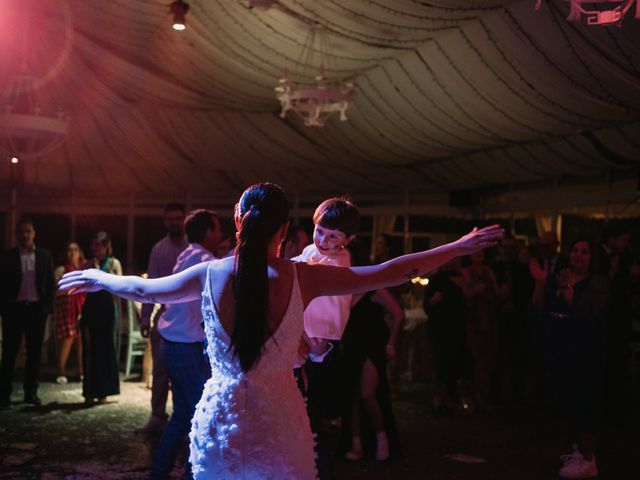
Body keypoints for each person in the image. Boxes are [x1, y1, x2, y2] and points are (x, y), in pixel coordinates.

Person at [59, 182, 503, 479]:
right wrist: (458, 246)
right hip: (281, 414)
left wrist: (100, 279)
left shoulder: (208, 274)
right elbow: (390, 272)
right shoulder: (303, 276)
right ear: (286, 230)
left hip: (222, 416)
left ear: (237, 223)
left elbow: (145, 290)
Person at [292, 197, 359, 479]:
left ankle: (318, 467)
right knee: (300, 408)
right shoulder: (310, 250)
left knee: (313, 415)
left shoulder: (339, 259)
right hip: (302, 334)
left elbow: (307, 271)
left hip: (322, 338)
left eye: (333, 236)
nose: (324, 239)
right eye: (320, 231)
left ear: (347, 240)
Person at [151, 209, 221, 479]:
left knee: (182, 414)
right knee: (202, 415)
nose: (219, 234)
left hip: (173, 343)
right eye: (216, 229)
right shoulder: (205, 262)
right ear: (207, 233)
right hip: (184, 347)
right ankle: (194, 474)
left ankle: (160, 472)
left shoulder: (186, 255)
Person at [531, 239, 609, 479]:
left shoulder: (597, 282)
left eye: (585, 252)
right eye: (575, 250)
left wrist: (567, 291)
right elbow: (539, 308)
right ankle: (576, 452)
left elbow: (586, 314)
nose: (578, 255)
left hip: (582, 351)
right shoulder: (560, 275)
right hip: (557, 348)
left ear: (592, 257)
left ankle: (588, 459)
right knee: (562, 401)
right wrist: (541, 283)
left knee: (581, 404)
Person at [341, 241, 403, 462]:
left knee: (368, 394)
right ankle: (357, 445)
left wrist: (391, 343)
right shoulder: (343, 287)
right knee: (353, 397)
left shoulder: (372, 286)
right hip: (351, 344)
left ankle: (382, 438)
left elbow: (398, 313)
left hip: (373, 345)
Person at [138, 203, 189, 433]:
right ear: (165, 221)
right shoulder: (159, 249)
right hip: (165, 313)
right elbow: (149, 288)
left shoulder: (193, 247)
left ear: (185, 219)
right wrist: (145, 319)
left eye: (178, 218)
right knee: (160, 369)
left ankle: (184, 415)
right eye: (170, 219)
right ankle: (157, 415)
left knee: (186, 371)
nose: (175, 222)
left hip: (189, 316)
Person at [0, 218, 55, 408]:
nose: (25, 235)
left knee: (34, 354)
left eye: (28, 231)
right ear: (17, 234)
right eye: (21, 232)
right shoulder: (8, 256)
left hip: (36, 309)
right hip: (14, 310)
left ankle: (31, 393)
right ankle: (4, 394)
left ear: (34, 233)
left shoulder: (44, 255)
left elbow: (50, 284)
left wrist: (47, 308)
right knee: (9, 354)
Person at [422, 258, 471, 416]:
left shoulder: (461, 277)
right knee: (440, 362)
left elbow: (465, 303)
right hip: (439, 327)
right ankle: (439, 398)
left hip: (456, 327)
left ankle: (453, 398)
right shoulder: (436, 279)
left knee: (455, 361)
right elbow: (427, 305)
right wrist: (434, 299)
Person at [80, 231, 123, 405]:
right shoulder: (88, 264)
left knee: (105, 350)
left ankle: (104, 391)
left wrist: (103, 275)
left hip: (106, 310)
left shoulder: (114, 263)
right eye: (93, 244)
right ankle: (89, 392)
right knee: (90, 351)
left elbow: (120, 285)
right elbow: (82, 285)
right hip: (90, 310)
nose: (94, 248)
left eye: (98, 244)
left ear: (106, 246)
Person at [53, 241, 87, 384]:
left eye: (75, 249)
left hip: (82, 307)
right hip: (66, 308)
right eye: (69, 250)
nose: (72, 253)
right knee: (67, 338)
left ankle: (80, 370)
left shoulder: (83, 268)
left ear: (79, 252)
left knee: (81, 340)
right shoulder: (61, 270)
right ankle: (61, 370)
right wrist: (73, 288)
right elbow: (56, 291)